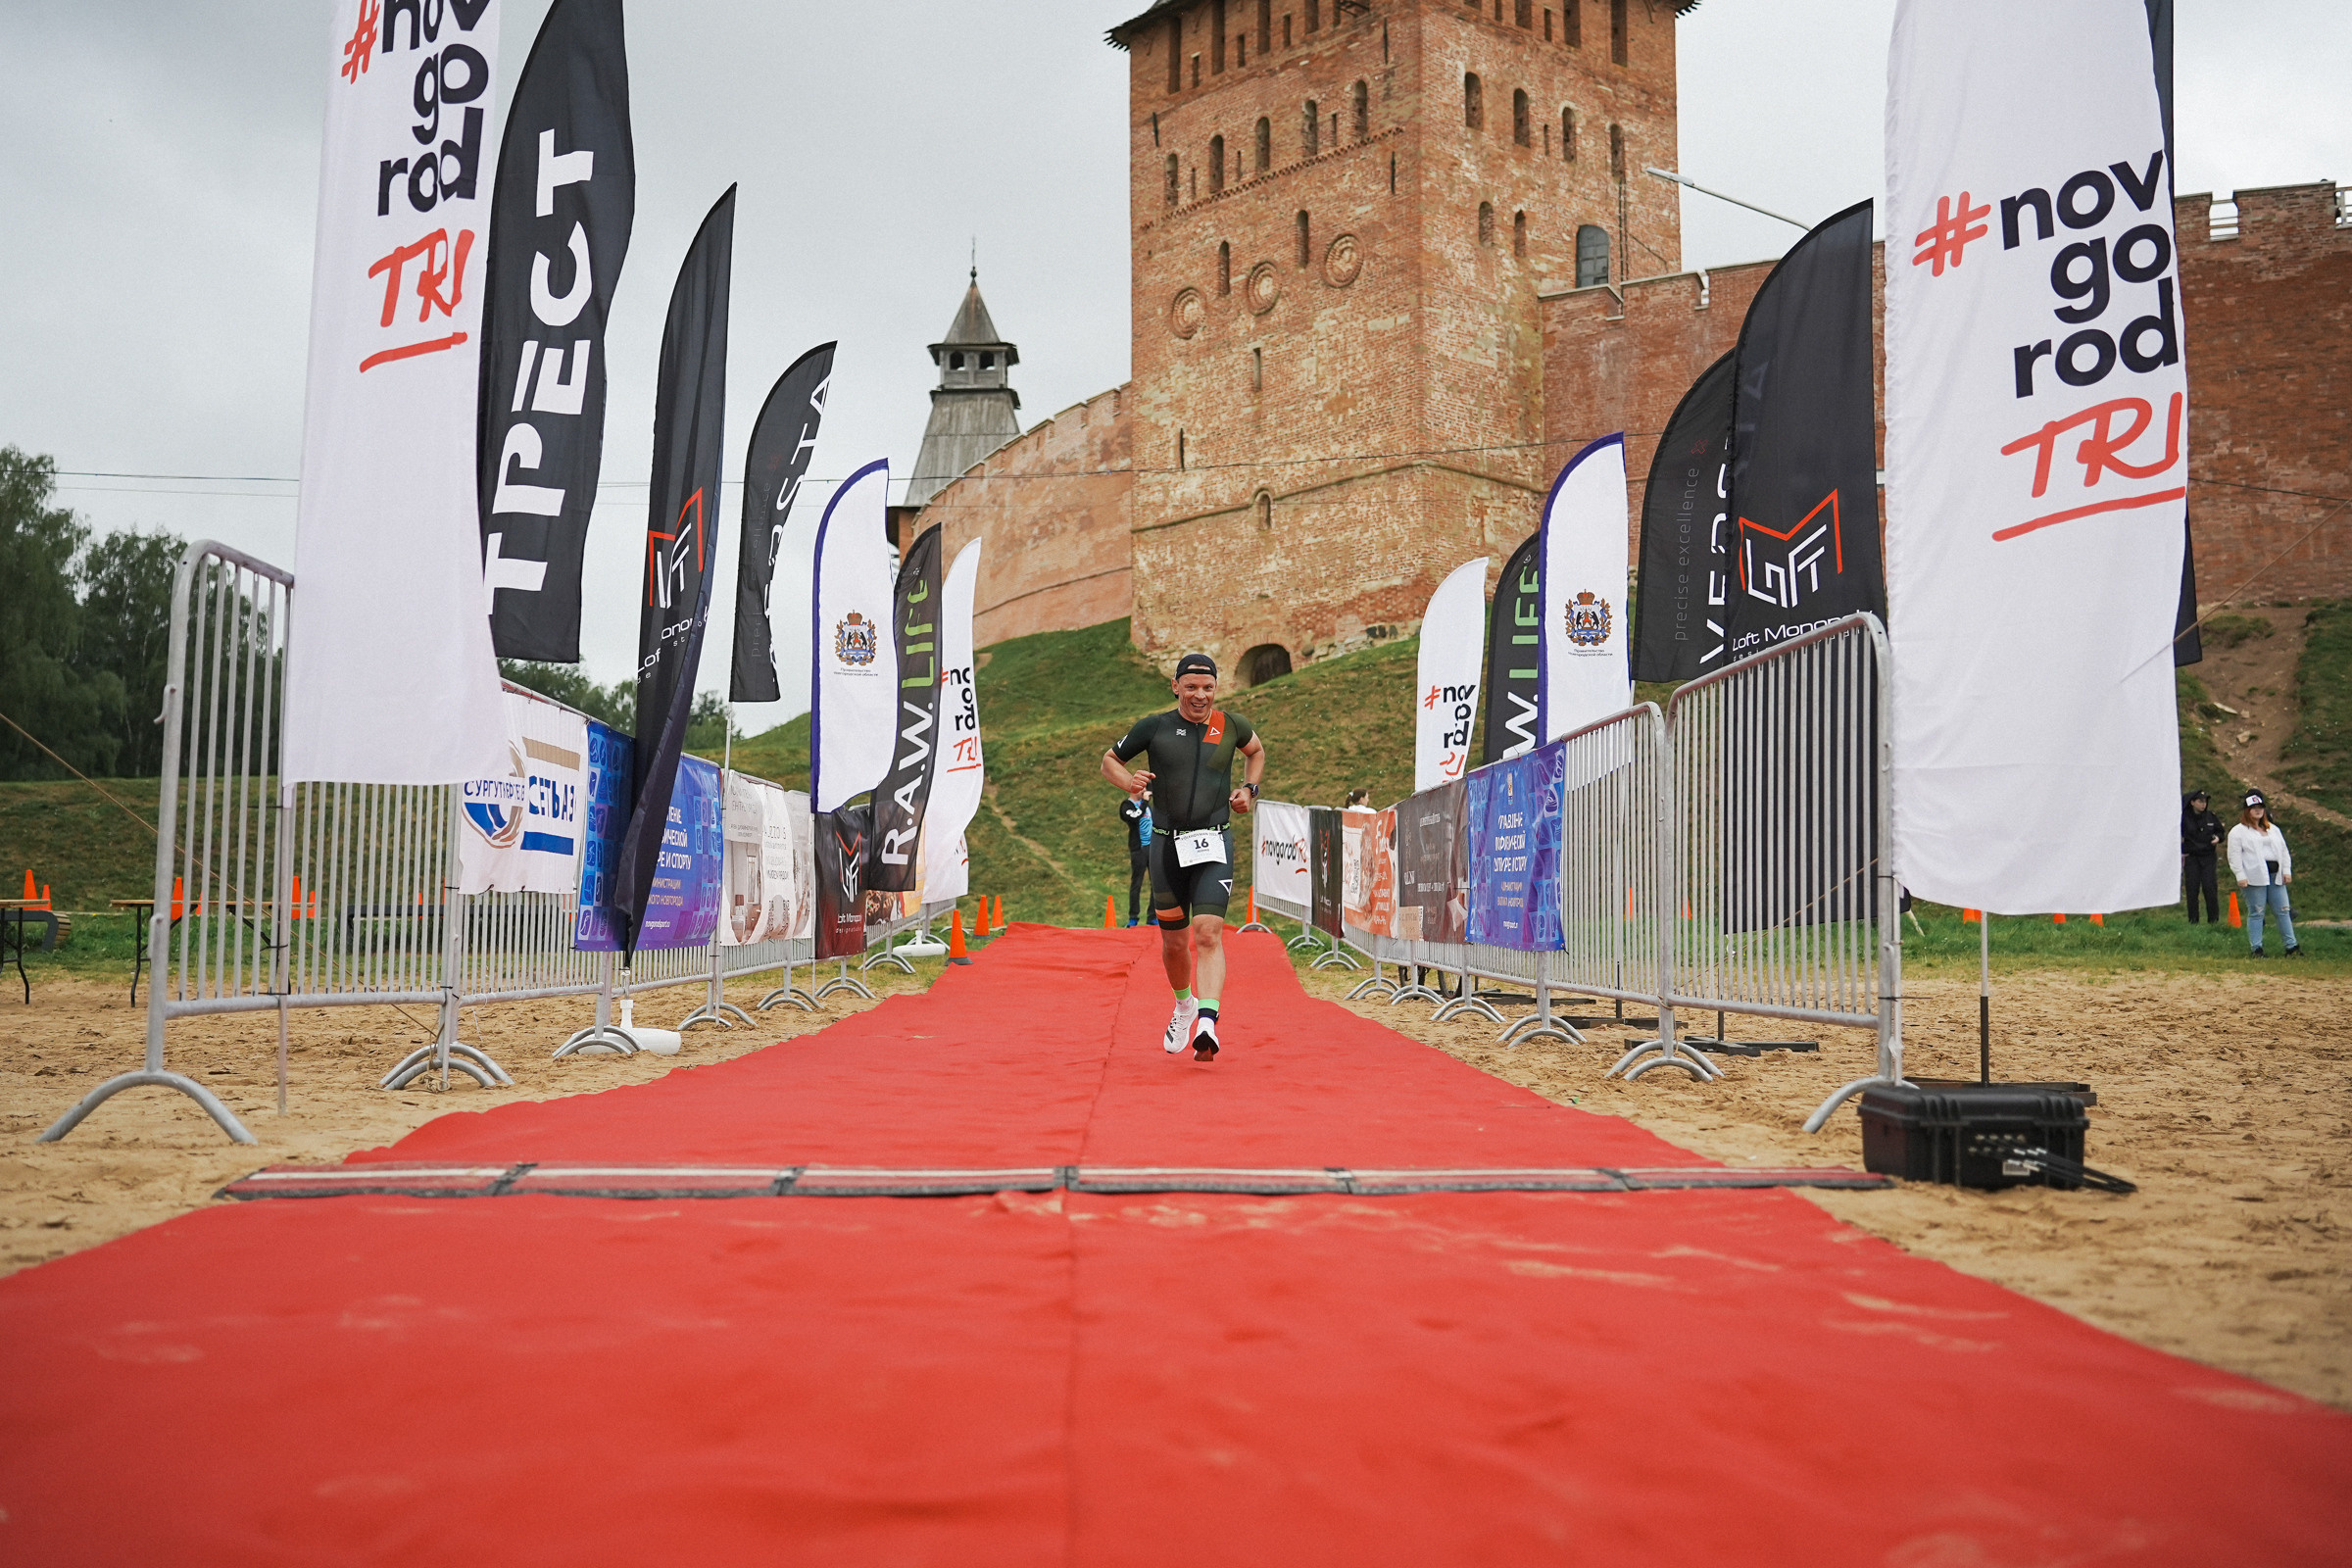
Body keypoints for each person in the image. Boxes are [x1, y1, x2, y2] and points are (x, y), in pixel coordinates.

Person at [1102, 652, 1267, 1060]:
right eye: (1191, 687)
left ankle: (1207, 1022)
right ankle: (1184, 1005)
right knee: (1174, 944)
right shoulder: (1154, 727)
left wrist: (1249, 790)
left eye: (1208, 688)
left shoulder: (1231, 725)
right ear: (1175, 686)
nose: (1200, 695)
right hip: (1166, 846)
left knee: (1208, 933)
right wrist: (1130, 782)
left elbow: (1256, 752)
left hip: (1214, 842)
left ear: (1216, 688)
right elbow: (1109, 761)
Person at [2227, 790, 2299, 957]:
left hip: (2275, 876)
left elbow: (2284, 851)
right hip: (2254, 877)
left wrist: (2286, 870)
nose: (2258, 810)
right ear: (2247, 810)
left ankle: (2292, 947)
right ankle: (2257, 949)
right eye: (2254, 808)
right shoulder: (2238, 831)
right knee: (2257, 912)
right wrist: (2240, 875)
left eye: (2260, 807)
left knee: (2283, 910)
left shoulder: (2273, 829)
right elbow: (2234, 856)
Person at [2180, 789, 2223, 924]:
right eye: (2200, 801)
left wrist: (2218, 838)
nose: (2203, 804)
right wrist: (2181, 850)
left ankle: (2213, 920)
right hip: (2192, 857)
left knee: (2210, 888)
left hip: (2208, 857)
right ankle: (2193, 920)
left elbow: (2221, 832)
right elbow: (2176, 834)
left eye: (2205, 801)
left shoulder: (2210, 817)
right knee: (2192, 890)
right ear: (2192, 802)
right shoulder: (2184, 818)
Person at [1119, 789, 1152, 927]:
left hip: (1152, 848)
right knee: (1137, 883)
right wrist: (1144, 802)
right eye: (1142, 788)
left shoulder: (1148, 806)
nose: (1145, 790)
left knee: (1156, 883)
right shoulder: (1127, 805)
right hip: (1138, 849)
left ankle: (1153, 916)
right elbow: (1135, 817)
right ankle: (1133, 917)